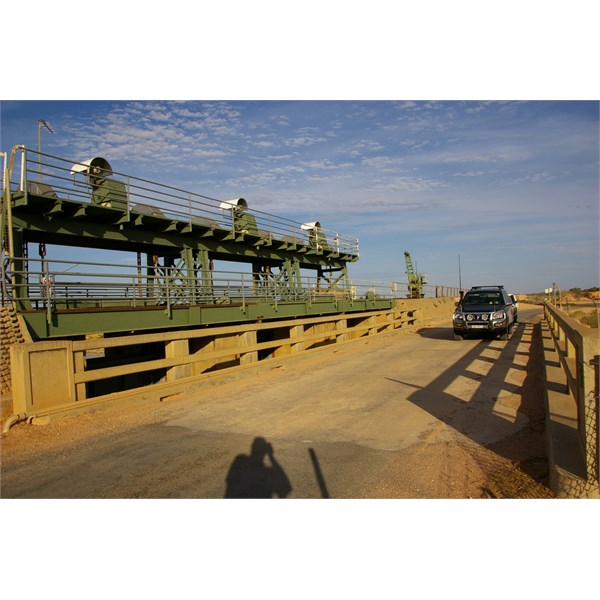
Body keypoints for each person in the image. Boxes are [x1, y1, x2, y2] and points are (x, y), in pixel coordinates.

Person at [224, 437, 292, 498]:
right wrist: (271, 457)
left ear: (252, 448)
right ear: (265, 452)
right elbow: (285, 489)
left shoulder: (240, 461)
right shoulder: (267, 473)